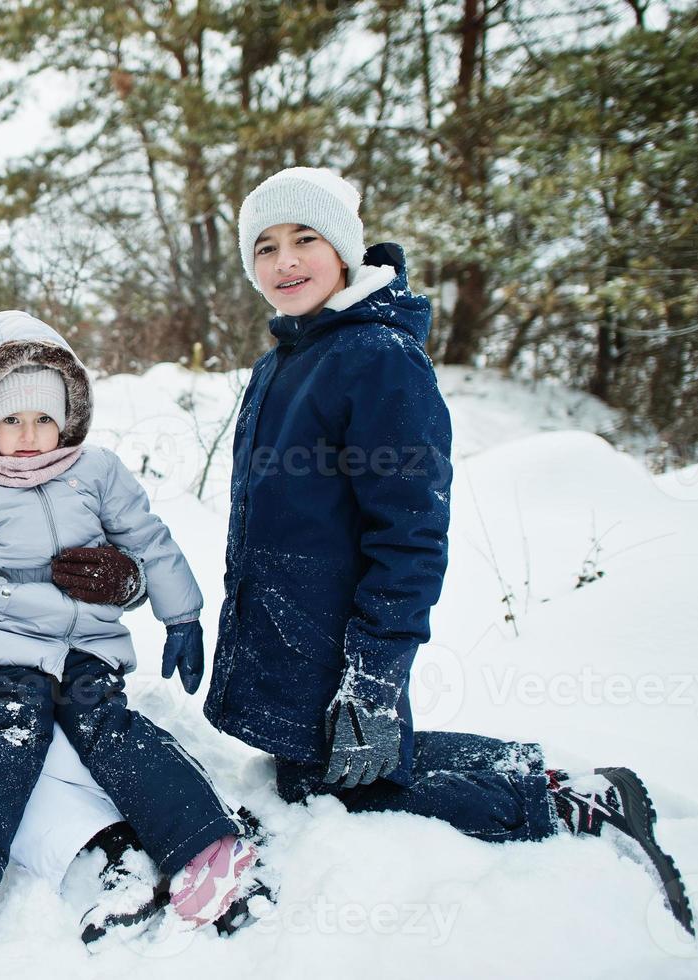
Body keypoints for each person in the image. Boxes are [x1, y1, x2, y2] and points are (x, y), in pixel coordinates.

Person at [205, 165, 692, 934]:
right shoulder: (283, 361)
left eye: (305, 238)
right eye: (264, 247)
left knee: (341, 785)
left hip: (339, 637)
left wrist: (372, 677)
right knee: (306, 769)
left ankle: (562, 798)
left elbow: (409, 531)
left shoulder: (376, 358)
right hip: (288, 633)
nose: (283, 261)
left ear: (344, 251)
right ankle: (530, 767)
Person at [0, 310, 258, 943]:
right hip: (1, 642)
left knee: (105, 726)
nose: (29, 436)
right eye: (11, 420)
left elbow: (148, 540)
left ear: (69, 417)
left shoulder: (97, 470)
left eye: (44, 419)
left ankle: (207, 849)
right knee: (8, 725)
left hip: (85, 641)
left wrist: (181, 614)